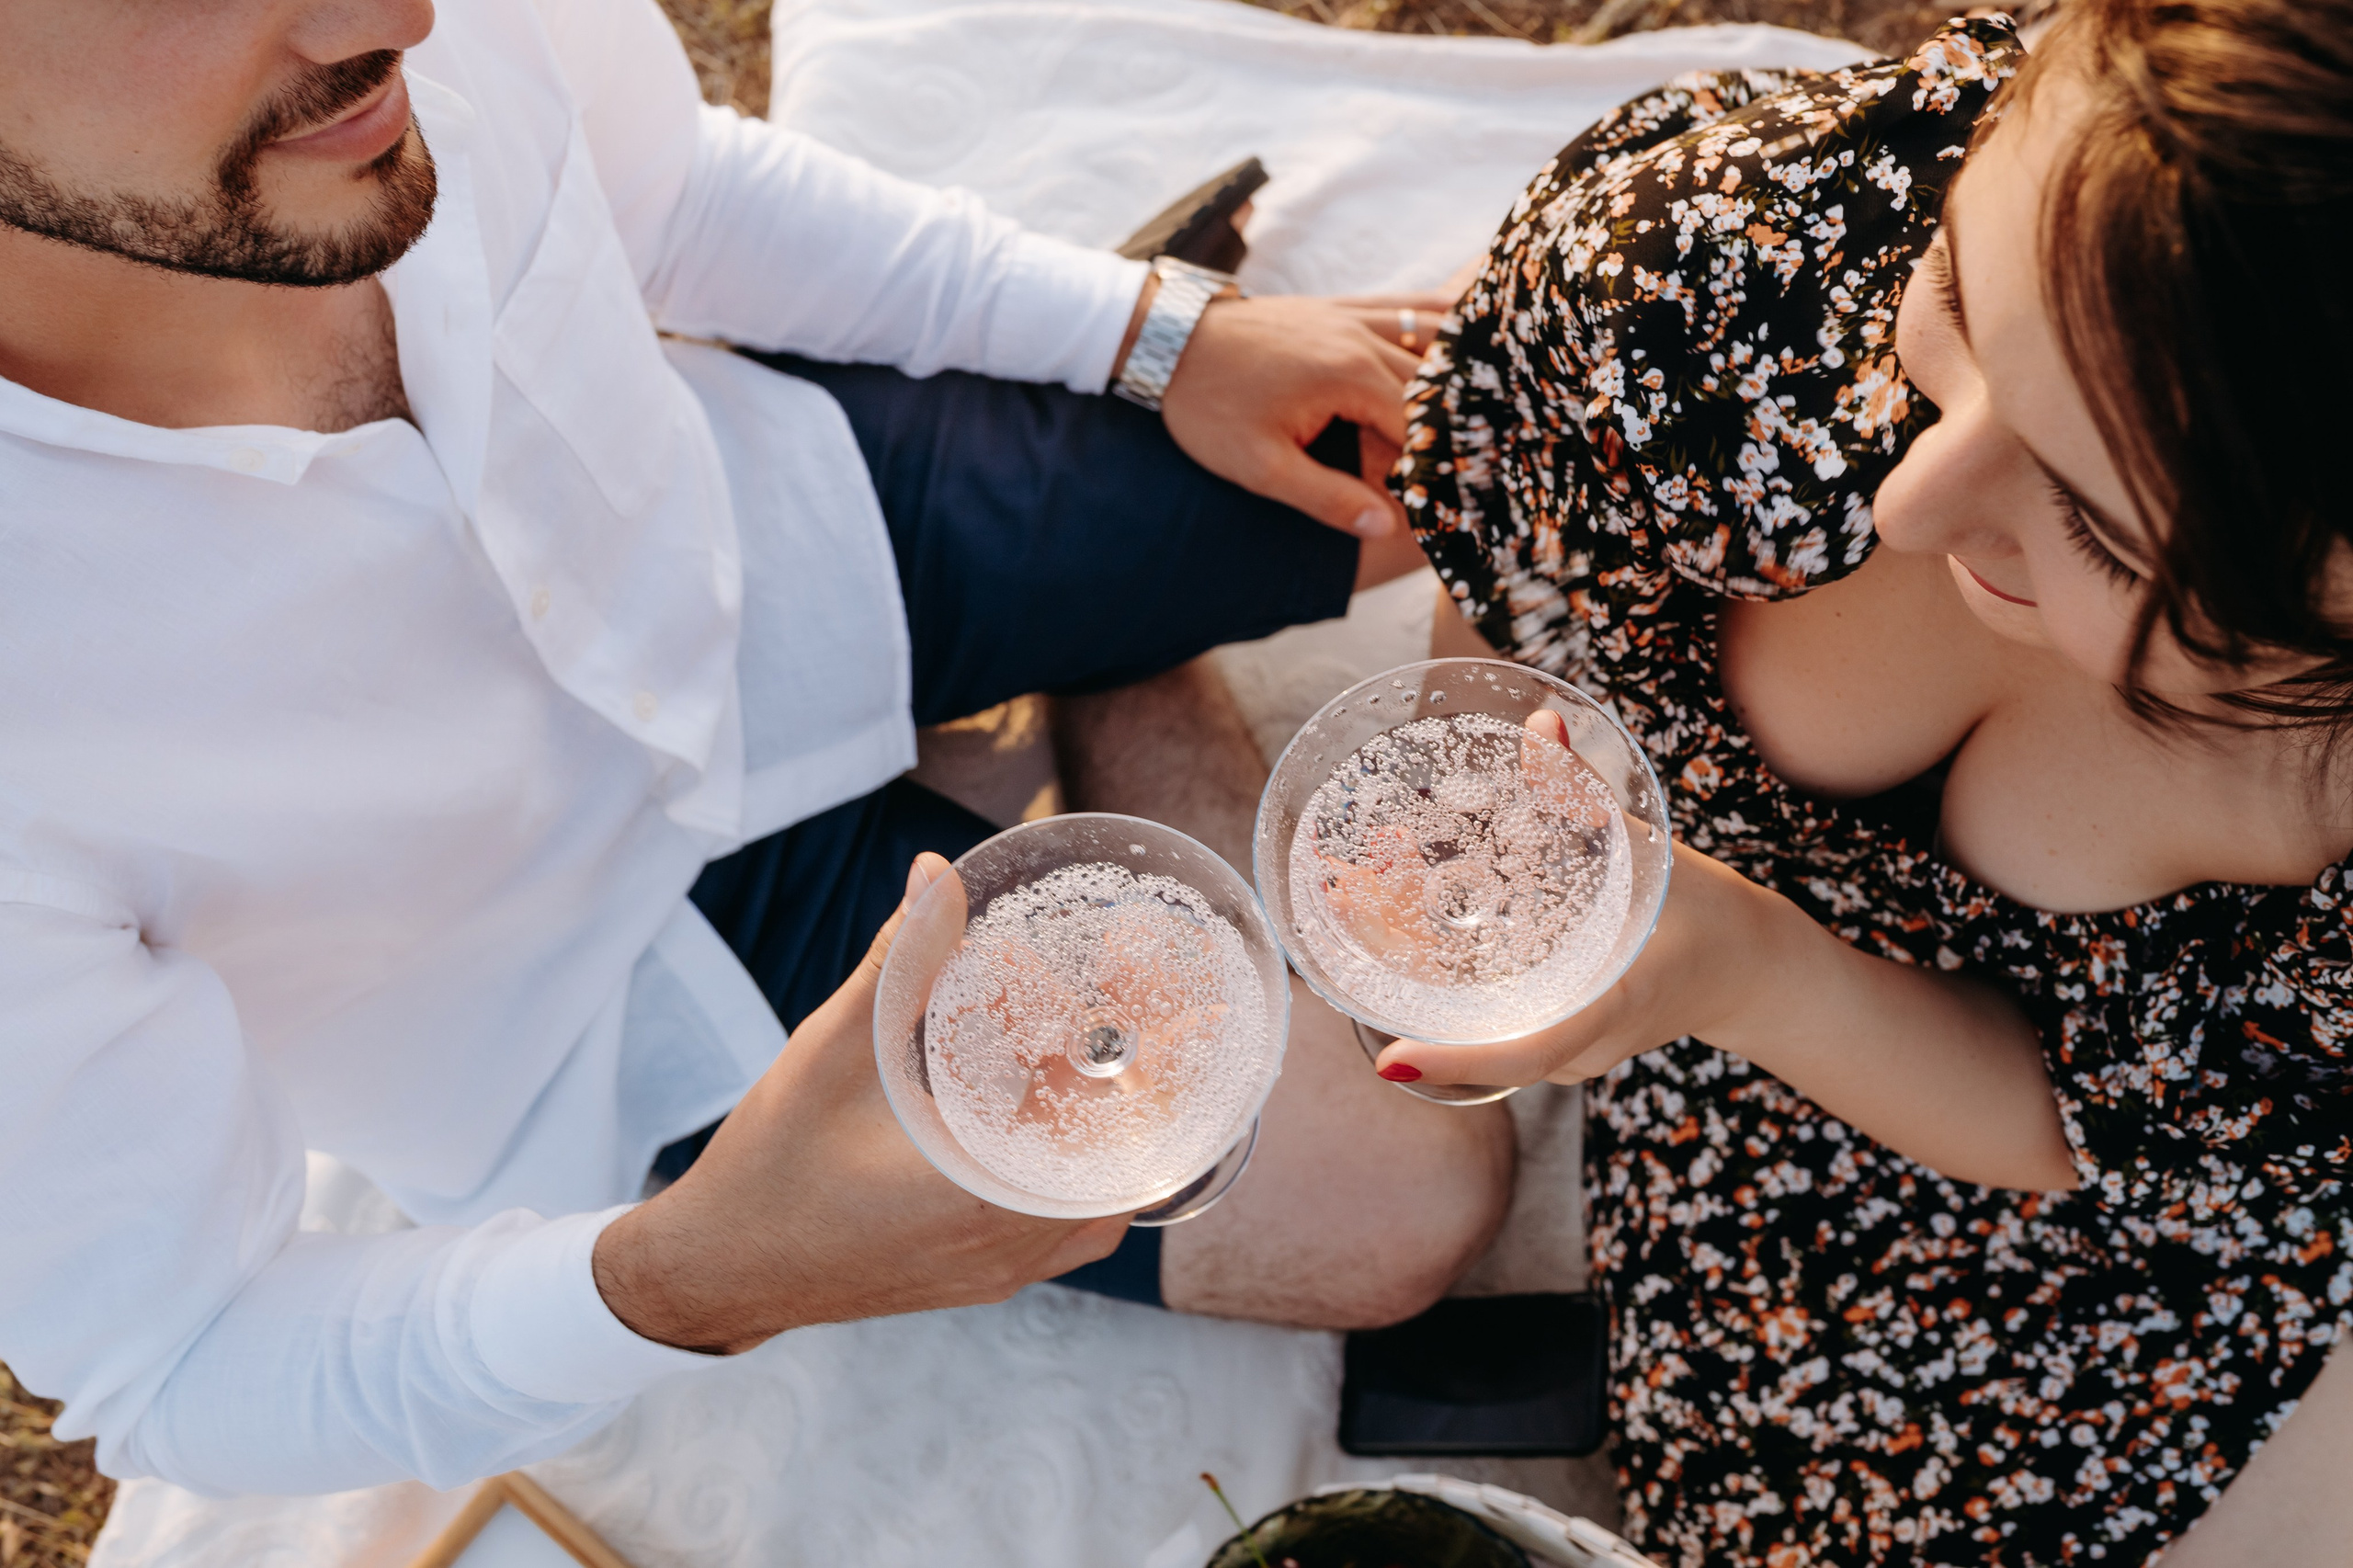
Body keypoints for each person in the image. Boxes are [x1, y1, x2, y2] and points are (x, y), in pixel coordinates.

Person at [0, 0, 1513, 1497]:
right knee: (1396, 1202)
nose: (405, 16)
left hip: (789, 539)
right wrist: (697, 1270)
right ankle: (1107, 633)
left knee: (1436, 447)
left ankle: (1092, 598)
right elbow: (180, 1357)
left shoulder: (388, 37)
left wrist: (1154, 331)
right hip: (614, 992)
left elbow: (681, 189)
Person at [1386, 2, 2353, 1562]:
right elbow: (1514, 527)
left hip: (2018, 1169)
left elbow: (2102, 1133)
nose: (1909, 500)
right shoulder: (1721, 272)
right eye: (1959, 295)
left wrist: (1738, 962)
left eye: (2102, 532)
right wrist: (1470, 779)